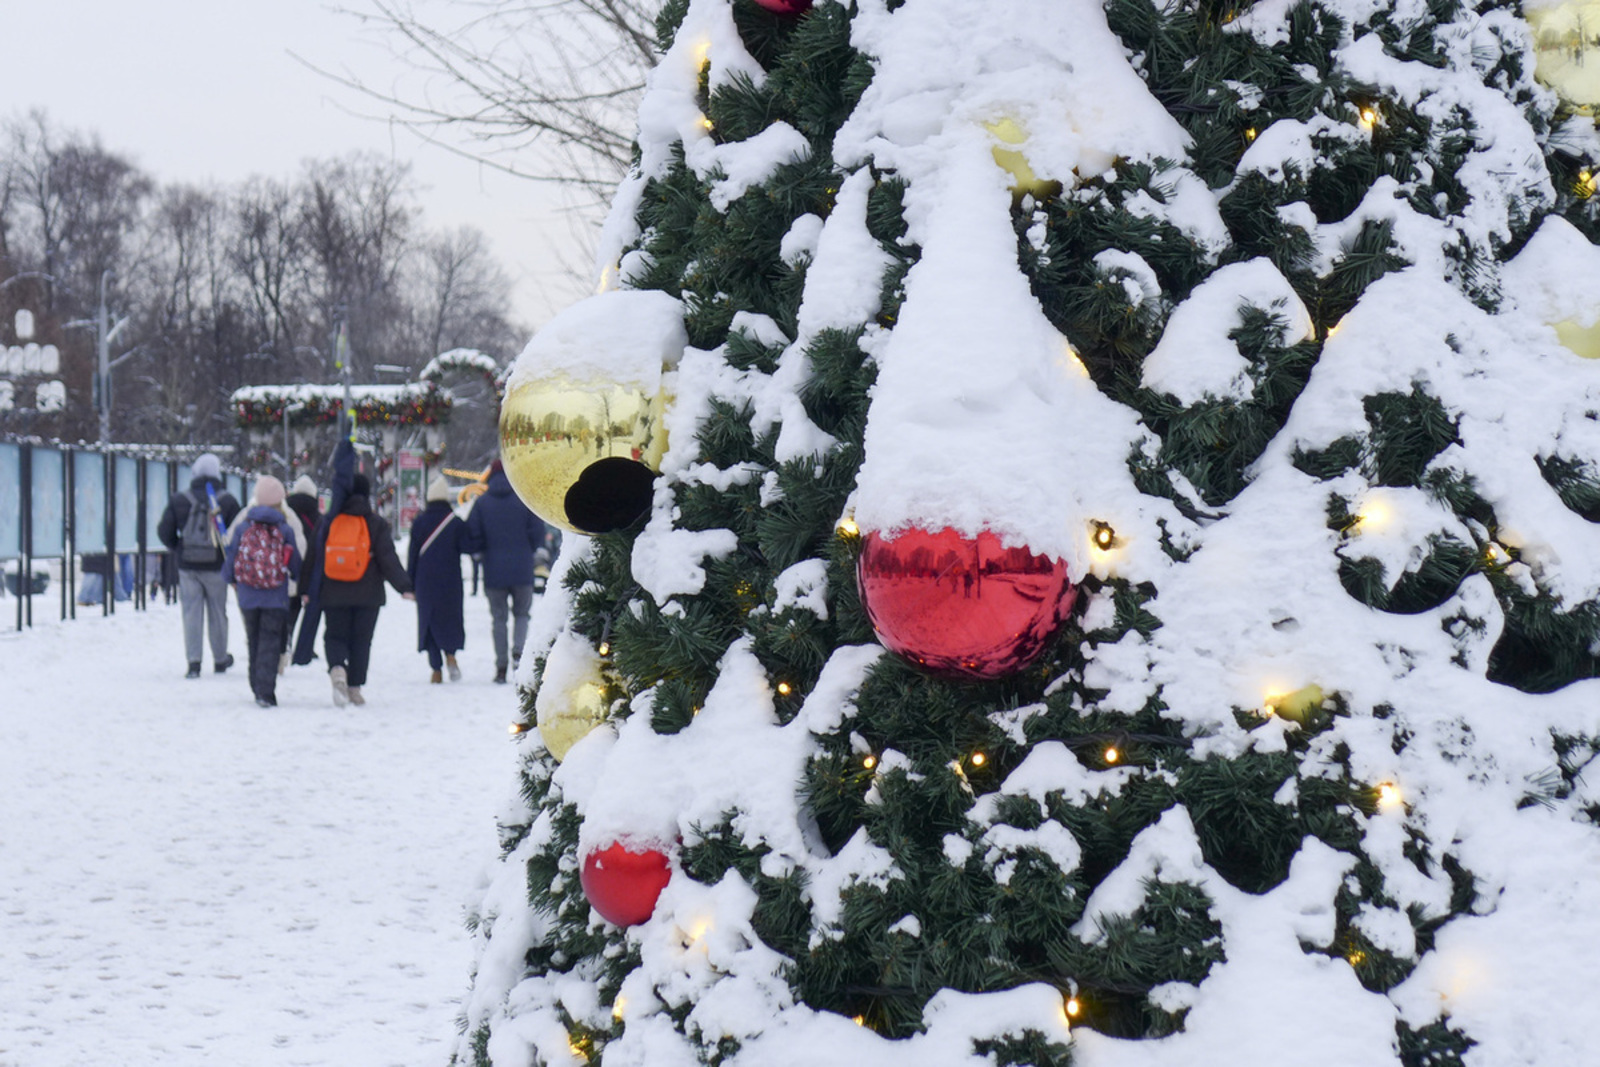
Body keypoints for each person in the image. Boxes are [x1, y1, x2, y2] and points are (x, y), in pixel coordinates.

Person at [300, 473, 414, 707]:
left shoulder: (327, 522)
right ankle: (354, 688)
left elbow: (312, 558)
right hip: (368, 594)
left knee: (334, 635)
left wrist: (305, 589)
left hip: (332, 592)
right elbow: (387, 559)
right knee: (362, 641)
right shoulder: (375, 523)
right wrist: (404, 586)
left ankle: (338, 669)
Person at [156, 452, 242, 678]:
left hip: (188, 566)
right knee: (218, 612)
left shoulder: (179, 499)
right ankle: (221, 659)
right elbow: (237, 534)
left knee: (191, 613)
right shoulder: (227, 501)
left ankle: (194, 662)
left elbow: (164, 531)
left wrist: (179, 548)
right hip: (217, 566)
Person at [221, 476, 302, 707]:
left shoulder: (244, 526)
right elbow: (294, 559)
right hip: (275, 595)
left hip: (247, 594)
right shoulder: (284, 528)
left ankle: (256, 685)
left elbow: (232, 554)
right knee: (271, 640)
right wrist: (297, 578)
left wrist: (230, 578)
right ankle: (266, 692)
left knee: (253, 639)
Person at [464, 458, 546, 683]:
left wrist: (482, 551)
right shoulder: (524, 499)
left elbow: (473, 533)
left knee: (498, 619)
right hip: (522, 570)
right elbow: (538, 531)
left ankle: (501, 666)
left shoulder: (482, 503)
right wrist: (528, 549)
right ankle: (519, 653)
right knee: (522, 614)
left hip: (494, 572)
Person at [408, 476, 469, 684]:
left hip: (425, 581)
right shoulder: (455, 523)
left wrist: (410, 582)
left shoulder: (419, 522)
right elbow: (468, 546)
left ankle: (436, 669)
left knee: (429, 622)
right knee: (450, 618)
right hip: (450, 580)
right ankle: (451, 656)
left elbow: (412, 554)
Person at [282, 475, 323, 670]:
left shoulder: (285, 512)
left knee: (289, 605)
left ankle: (286, 637)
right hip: (311, 567)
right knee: (308, 608)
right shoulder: (317, 516)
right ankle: (306, 646)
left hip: (288, 563)